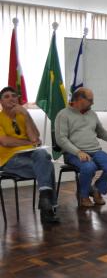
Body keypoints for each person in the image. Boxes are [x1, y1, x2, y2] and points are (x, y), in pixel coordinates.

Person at [55, 87, 107, 208]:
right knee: (89, 167)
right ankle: (84, 196)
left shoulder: (92, 114)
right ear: (80, 99)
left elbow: (101, 133)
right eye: (90, 100)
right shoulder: (63, 115)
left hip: (95, 151)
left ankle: (97, 190)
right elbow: (61, 139)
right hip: (73, 154)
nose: (93, 103)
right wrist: (78, 152)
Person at [0, 86, 59, 223]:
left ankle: (44, 198)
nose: (11, 98)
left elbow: (35, 137)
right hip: (8, 159)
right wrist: (27, 142)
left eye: (14, 96)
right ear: (1, 102)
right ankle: (48, 209)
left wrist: (26, 114)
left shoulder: (22, 115)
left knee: (42, 154)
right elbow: (6, 141)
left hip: (29, 154)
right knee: (47, 165)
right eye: (6, 96)